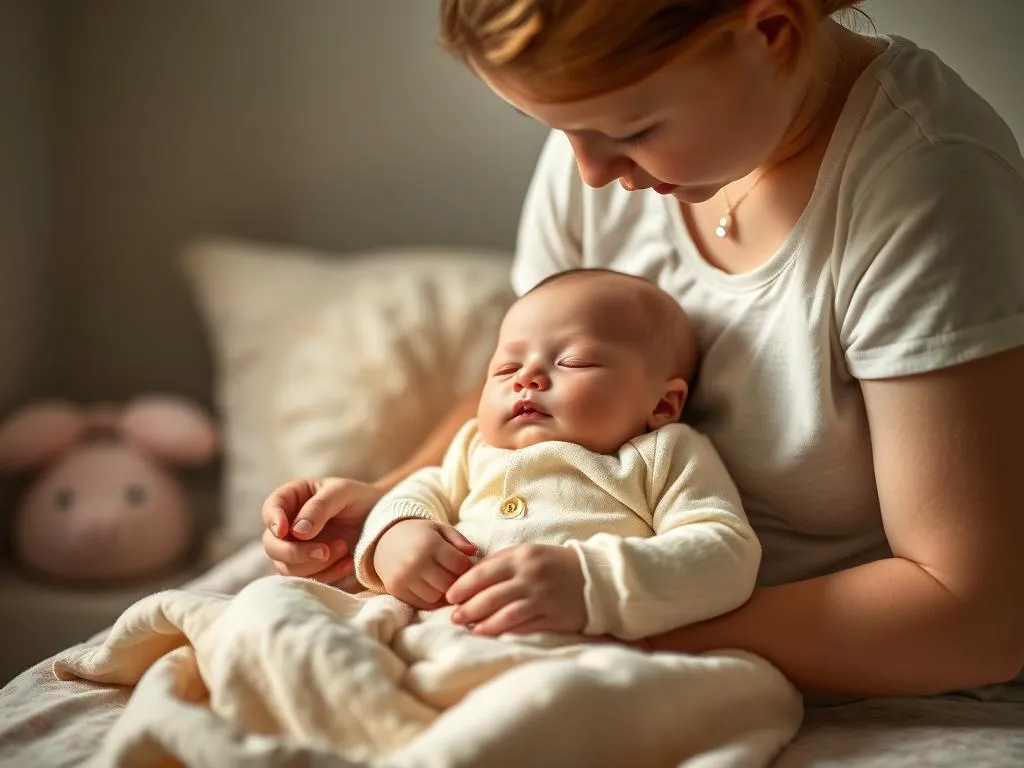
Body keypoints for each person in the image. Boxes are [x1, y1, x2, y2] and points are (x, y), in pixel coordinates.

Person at [263, 0, 1024, 698]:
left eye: (632, 132)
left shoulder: (927, 185)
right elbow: (527, 382)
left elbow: (974, 622)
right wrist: (390, 506)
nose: (590, 173)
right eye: (559, 130)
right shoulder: (597, 151)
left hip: (798, 655)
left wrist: (604, 620)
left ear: (769, 33)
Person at [353, 268, 760, 642]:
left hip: (577, 654)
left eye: (572, 361)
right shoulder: (475, 447)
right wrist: (396, 535)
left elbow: (726, 551)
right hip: (439, 636)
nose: (526, 378)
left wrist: (590, 583)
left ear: (663, 405)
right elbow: (416, 492)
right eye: (505, 368)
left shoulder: (664, 454)